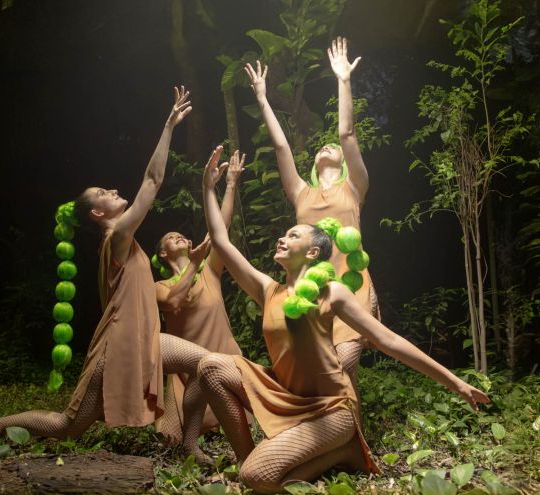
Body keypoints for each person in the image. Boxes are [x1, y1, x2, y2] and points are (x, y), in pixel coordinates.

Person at [197, 147, 491, 493]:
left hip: (331, 409)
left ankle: (343, 447)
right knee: (211, 367)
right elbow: (220, 240)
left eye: (293, 235)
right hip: (284, 395)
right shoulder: (268, 289)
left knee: (259, 478)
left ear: (312, 253)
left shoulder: (332, 292)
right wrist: (209, 188)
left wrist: (455, 383)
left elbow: (388, 340)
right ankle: (250, 459)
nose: (282, 237)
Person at [0, 87, 211, 446]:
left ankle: (188, 446)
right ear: (97, 214)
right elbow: (152, 182)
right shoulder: (116, 236)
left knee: (205, 367)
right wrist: (168, 126)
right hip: (118, 348)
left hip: (147, 341)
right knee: (68, 426)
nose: (113, 189)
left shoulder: (121, 237)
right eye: (105, 192)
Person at [244, 37, 378, 390]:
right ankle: (338, 435)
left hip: (350, 281)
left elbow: (346, 134)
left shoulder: (354, 188)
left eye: (331, 147)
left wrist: (343, 79)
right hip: (307, 287)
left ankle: (346, 437)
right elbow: (281, 146)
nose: (327, 146)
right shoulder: (302, 191)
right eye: (321, 147)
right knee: (320, 369)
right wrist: (262, 99)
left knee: (343, 361)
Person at [152, 148, 246, 462]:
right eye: (170, 237)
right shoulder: (160, 286)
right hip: (186, 373)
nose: (178, 236)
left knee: (240, 422)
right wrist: (193, 263)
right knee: (168, 441)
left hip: (226, 357)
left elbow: (222, 228)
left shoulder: (210, 270)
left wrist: (229, 184)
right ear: (163, 255)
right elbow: (171, 302)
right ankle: (192, 436)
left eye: (181, 234)